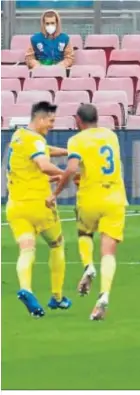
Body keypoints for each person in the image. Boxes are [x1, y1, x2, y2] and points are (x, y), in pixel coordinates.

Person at [47, 104, 127, 321]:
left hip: (90, 196)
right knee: (109, 252)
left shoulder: (76, 140)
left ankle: (88, 266)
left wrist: (57, 191)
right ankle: (104, 296)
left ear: (77, 120)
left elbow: (73, 168)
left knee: (84, 234)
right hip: (115, 197)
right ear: (97, 118)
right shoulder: (111, 136)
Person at [6, 101, 72, 318]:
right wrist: (66, 174)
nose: (52, 125)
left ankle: (26, 288)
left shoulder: (19, 136)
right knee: (57, 244)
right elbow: (43, 163)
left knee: (26, 249)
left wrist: (68, 152)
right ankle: (57, 296)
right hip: (39, 205)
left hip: (15, 206)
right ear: (41, 119)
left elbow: (43, 150)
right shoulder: (35, 140)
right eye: (51, 121)